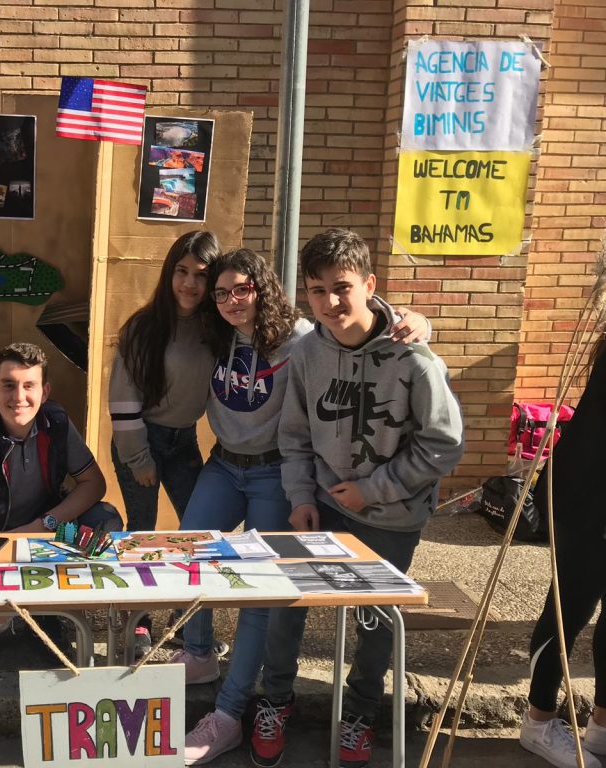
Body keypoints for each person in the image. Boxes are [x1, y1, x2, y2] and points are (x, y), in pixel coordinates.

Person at [181, 242, 433, 766]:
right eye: (221, 293)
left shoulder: (302, 339)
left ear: (263, 289)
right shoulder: (214, 332)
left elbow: (362, 327)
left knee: (267, 593)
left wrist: (416, 320)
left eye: (241, 290)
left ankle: (233, 712)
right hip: (227, 464)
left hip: (279, 474)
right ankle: (202, 654)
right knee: (190, 553)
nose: (231, 301)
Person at [250, 228, 463, 768]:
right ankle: (275, 700)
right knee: (287, 604)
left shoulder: (414, 359)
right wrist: (301, 496)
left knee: (374, 623)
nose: (331, 302)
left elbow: (444, 444)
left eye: (342, 287)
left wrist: (373, 490)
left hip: (392, 516)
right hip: (323, 506)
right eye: (317, 290)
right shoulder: (307, 352)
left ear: (369, 285)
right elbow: (294, 434)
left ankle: (360, 714)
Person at [0, 342, 123, 652]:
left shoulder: (57, 422)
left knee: (105, 521)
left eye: (29, 386)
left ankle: (51, 607)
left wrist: (43, 525)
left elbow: (94, 484)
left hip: (46, 530)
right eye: (8, 385)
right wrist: (17, 541)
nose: (19, 396)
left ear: (45, 391)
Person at [108, 230, 220, 657]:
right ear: (169, 273)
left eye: (201, 275)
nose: (189, 283)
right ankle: (136, 622)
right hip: (141, 438)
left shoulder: (215, 327)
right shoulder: (144, 327)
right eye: (181, 271)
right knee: (141, 532)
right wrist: (138, 457)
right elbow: (123, 398)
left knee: (196, 531)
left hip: (183, 441)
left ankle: (183, 619)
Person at [519, 333, 606, 768]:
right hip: (587, 494)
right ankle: (539, 721)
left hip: (587, 486)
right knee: (568, 608)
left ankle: (602, 726)